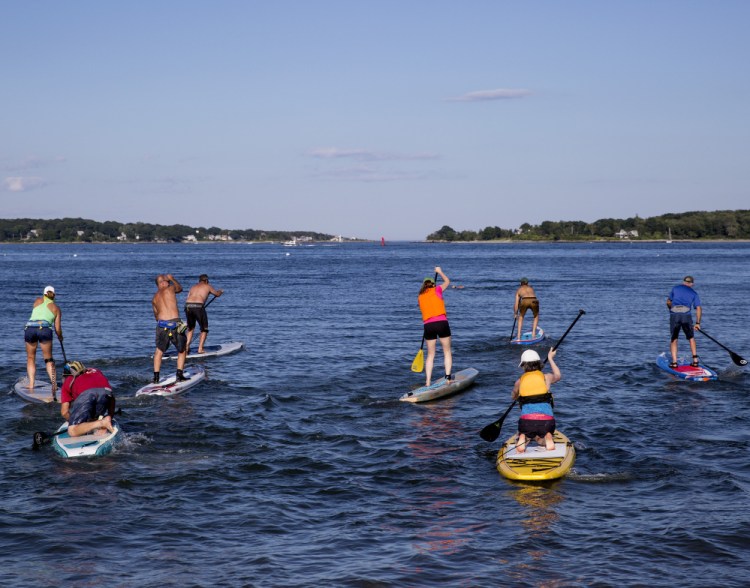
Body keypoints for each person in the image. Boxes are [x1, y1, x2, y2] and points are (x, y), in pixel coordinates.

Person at [511, 348, 561, 453]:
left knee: (525, 433)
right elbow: (558, 376)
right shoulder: (546, 377)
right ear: (539, 364)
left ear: (523, 365)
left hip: (526, 422)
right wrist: (550, 358)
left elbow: (513, 396)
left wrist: (517, 396)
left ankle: (523, 437)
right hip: (547, 422)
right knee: (541, 437)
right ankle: (547, 436)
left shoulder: (519, 382)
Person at [24, 285, 63, 395]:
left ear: (44, 294)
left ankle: (31, 384)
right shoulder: (56, 308)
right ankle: (54, 385)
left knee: (31, 357)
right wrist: (60, 337)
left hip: (30, 328)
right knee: (49, 360)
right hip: (44, 330)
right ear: (54, 295)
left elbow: (37, 313)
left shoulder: (37, 301)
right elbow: (58, 329)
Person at [59, 361, 116, 437]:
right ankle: (102, 423)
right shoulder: (96, 371)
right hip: (107, 392)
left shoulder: (68, 380)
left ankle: (102, 423)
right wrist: (110, 415)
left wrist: (74, 422)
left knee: (72, 431)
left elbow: (64, 412)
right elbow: (112, 397)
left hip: (88, 394)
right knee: (94, 416)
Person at [418, 266, 453, 387]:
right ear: (433, 284)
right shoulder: (437, 289)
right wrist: (440, 272)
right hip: (441, 323)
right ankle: (447, 378)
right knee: (447, 351)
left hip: (428, 326)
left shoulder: (420, 297)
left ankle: (427, 382)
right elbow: (447, 282)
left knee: (431, 354)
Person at [152, 273, 188, 383]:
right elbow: (180, 289)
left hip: (161, 325)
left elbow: (156, 316)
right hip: (174, 323)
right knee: (182, 350)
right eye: (167, 281)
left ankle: (156, 378)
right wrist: (173, 279)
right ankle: (179, 375)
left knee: (159, 351)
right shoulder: (170, 288)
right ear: (163, 282)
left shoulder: (154, 298)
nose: (169, 283)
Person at [666, 275, 702, 367]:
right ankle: (695, 361)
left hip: (675, 316)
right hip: (686, 316)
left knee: (674, 339)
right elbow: (698, 308)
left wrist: (671, 309)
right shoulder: (694, 293)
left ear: (683, 282)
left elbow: (668, 302)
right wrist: (697, 323)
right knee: (691, 338)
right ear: (692, 284)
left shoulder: (675, 288)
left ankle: (674, 363)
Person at [184, 274, 224, 354]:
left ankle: (186, 347)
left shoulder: (193, 287)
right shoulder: (208, 286)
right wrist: (220, 291)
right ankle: (200, 349)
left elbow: (188, 297)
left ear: (199, 281)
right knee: (204, 329)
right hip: (198, 307)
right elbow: (217, 294)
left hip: (188, 306)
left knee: (190, 328)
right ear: (206, 280)